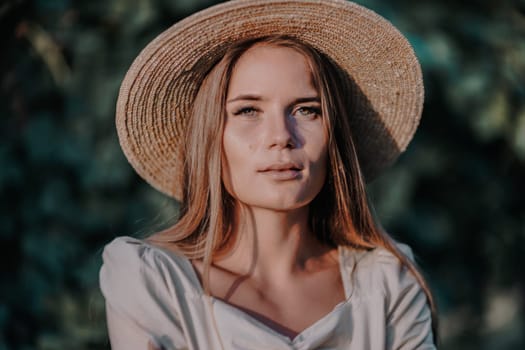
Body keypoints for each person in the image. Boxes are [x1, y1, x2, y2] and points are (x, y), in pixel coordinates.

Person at [99, 0, 438, 349]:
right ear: (211, 137)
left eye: (306, 110)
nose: (281, 136)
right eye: (248, 110)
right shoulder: (153, 281)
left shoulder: (387, 283)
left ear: (334, 133)